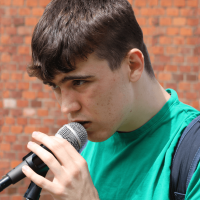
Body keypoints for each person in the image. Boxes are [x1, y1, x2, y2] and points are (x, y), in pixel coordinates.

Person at [22, 0, 200, 199]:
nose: (66, 107)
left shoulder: (193, 155)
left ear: (132, 66)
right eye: (55, 86)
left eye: (79, 82)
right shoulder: (82, 146)